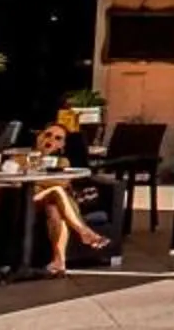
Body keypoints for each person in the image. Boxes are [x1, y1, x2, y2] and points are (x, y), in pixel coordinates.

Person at [23, 115, 111, 277]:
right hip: (28, 201)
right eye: (48, 135)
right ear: (39, 136)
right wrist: (43, 178)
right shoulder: (23, 158)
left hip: (52, 201)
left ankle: (59, 261)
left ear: (62, 145)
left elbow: (64, 182)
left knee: (54, 209)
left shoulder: (62, 162)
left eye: (58, 138)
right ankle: (84, 231)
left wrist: (38, 180)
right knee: (56, 191)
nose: (51, 140)